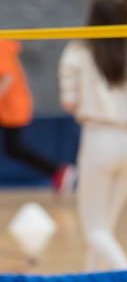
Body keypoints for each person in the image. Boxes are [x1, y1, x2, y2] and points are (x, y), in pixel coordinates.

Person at [59, 0, 127, 272]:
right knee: (105, 227)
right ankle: (90, 280)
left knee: (94, 230)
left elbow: (68, 103)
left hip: (99, 140)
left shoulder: (78, 51)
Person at [0, 40, 75, 193]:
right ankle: (58, 171)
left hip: (12, 106)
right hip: (9, 106)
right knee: (13, 148)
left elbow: (7, 77)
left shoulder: (1, 45)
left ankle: (59, 171)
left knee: (14, 148)